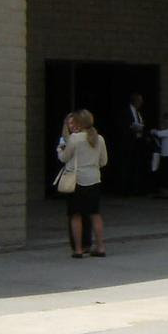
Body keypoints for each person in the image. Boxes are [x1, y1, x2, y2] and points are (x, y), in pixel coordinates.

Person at [57, 109, 109, 257]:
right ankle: (100, 247)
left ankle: (78, 249)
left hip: (77, 180)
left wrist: (60, 150)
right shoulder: (99, 138)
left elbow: (64, 158)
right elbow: (104, 161)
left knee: (76, 214)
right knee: (95, 214)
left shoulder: (74, 138)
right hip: (94, 179)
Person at [125, 91, 150, 194]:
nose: (141, 103)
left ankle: (137, 188)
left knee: (138, 164)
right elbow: (124, 124)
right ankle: (127, 189)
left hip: (138, 141)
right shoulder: (127, 111)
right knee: (129, 164)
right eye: (140, 101)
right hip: (129, 142)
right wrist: (131, 128)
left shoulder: (138, 113)